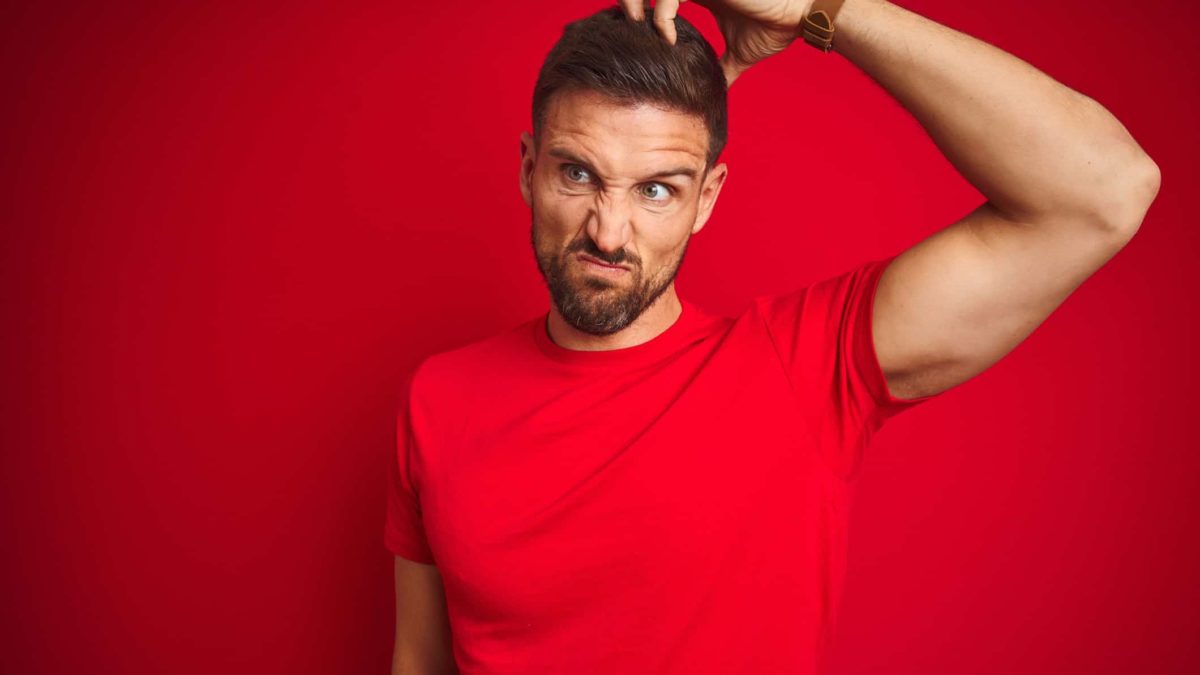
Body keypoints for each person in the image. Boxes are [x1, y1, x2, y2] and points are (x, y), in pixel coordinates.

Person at [386, 1, 1160, 673]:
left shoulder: (807, 368)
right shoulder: (438, 398)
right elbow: (421, 662)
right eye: (578, 174)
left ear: (707, 198)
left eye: (657, 188)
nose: (608, 231)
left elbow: (1105, 191)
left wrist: (828, 8)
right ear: (528, 169)